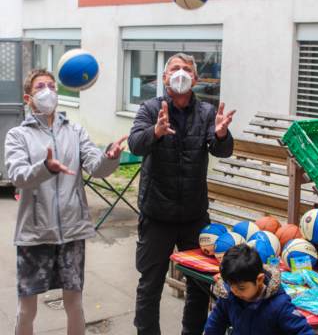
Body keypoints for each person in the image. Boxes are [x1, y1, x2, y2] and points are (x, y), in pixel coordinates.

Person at [5, 68, 127, 335]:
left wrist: (110, 156)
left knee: (75, 303)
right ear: (28, 98)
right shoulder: (18, 136)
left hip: (72, 232)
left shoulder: (75, 132)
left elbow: (96, 168)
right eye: (40, 87)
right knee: (27, 309)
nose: (48, 91)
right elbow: (18, 176)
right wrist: (46, 167)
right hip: (34, 235)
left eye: (52, 85)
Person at [128, 53, 235, 335]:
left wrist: (222, 135)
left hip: (194, 217)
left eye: (186, 69)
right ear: (164, 78)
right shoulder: (150, 109)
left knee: (199, 287)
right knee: (150, 285)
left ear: (195, 80)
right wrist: (155, 131)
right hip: (156, 216)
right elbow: (135, 145)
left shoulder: (208, 113)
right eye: (174, 69)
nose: (180, 73)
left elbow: (221, 149)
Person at [204, 244, 315, 335]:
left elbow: (303, 330)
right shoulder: (229, 295)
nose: (235, 291)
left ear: (260, 279)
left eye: (241, 288)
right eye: (230, 285)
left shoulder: (279, 305)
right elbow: (214, 324)